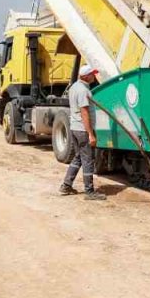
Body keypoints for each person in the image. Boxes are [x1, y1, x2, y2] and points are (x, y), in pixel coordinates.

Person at [59, 64, 106, 201]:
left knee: (78, 157)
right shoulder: (83, 91)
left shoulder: (74, 87)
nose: (94, 76)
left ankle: (66, 185)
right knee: (88, 160)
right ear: (86, 76)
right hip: (82, 130)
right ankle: (89, 191)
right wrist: (90, 134)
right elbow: (84, 112)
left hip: (75, 127)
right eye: (92, 74)